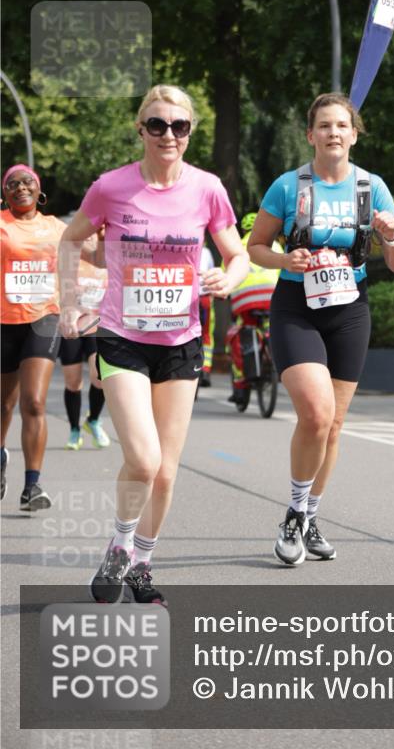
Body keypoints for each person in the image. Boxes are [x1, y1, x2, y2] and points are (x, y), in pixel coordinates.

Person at [59, 85, 249, 605]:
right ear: (141, 130)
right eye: (159, 125)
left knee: (165, 471)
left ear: (190, 133)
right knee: (142, 460)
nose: (169, 135)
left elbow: (236, 254)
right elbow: (71, 238)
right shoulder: (111, 187)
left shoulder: (208, 189)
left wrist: (229, 279)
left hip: (181, 342)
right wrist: (71, 301)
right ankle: (119, 545)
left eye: (179, 126)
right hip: (122, 338)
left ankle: (143, 562)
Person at [248, 93, 394, 566]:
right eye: (324, 126)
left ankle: (309, 516)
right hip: (296, 306)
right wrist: (283, 258)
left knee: (334, 427)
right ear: (310, 135)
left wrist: (390, 233)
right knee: (317, 415)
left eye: (342, 125)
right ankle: (295, 517)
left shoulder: (372, 188)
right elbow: (256, 246)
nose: (333, 133)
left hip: (349, 309)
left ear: (354, 134)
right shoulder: (288, 186)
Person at [1, 165, 66, 511]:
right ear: (4, 193)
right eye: (12, 184)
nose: (20, 187)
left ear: (38, 189)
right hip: (3, 322)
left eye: (27, 182)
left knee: (34, 402)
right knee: (4, 404)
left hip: (44, 319)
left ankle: (32, 486)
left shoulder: (56, 227)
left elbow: (93, 255)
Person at [226, 211, 282, 406]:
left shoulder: (236, 245)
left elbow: (227, 275)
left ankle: (241, 385)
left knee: (241, 335)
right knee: (269, 327)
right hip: (272, 297)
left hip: (245, 301)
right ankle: (271, 356)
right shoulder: (275, 245)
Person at [60, 232, 110, 450]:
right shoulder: (69, 263)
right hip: (73, 326)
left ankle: (93, 420)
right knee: (73, 383)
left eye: (93, 236)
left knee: (99, 377)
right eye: (85, 236)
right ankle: (74, 429)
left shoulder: (105, 263)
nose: (89, 239)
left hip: (97, 326)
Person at [197, 244, 215, 388]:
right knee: (206, 334)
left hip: (187, 298)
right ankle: (206, 370)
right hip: (204, 298)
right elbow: (211, 273)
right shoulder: (206, 252)